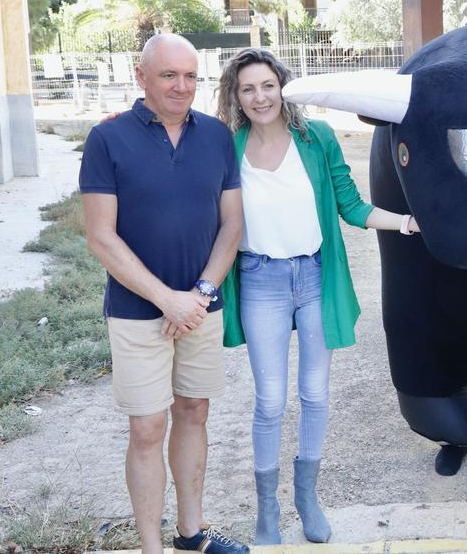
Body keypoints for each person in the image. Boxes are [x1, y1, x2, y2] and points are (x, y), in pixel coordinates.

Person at [214, 48, 420, 545]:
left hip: (313, 279)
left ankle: (307, 498)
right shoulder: (227, 145)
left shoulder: (317, 138)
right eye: (248, 88)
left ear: (282, 86)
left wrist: (408, 222)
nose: (260, 96)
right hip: (259, 279)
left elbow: (350, 204)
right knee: (269, 399)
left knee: (315, 393)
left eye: (267, 85)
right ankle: (268, 509)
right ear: (236, 97)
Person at [80, 34, 248, 554]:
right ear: (141, 76)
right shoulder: (108, 139)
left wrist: (198, 294)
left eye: (191, 76)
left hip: (201, 307)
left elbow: (233, 223)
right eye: (170, 75)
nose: (182, 86)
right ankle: (151, 545)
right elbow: (100, 236)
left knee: (194, 410)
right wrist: (165, 299)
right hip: (137, 313)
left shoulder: (217, 136)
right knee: (149, 427)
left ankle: (191, 534)